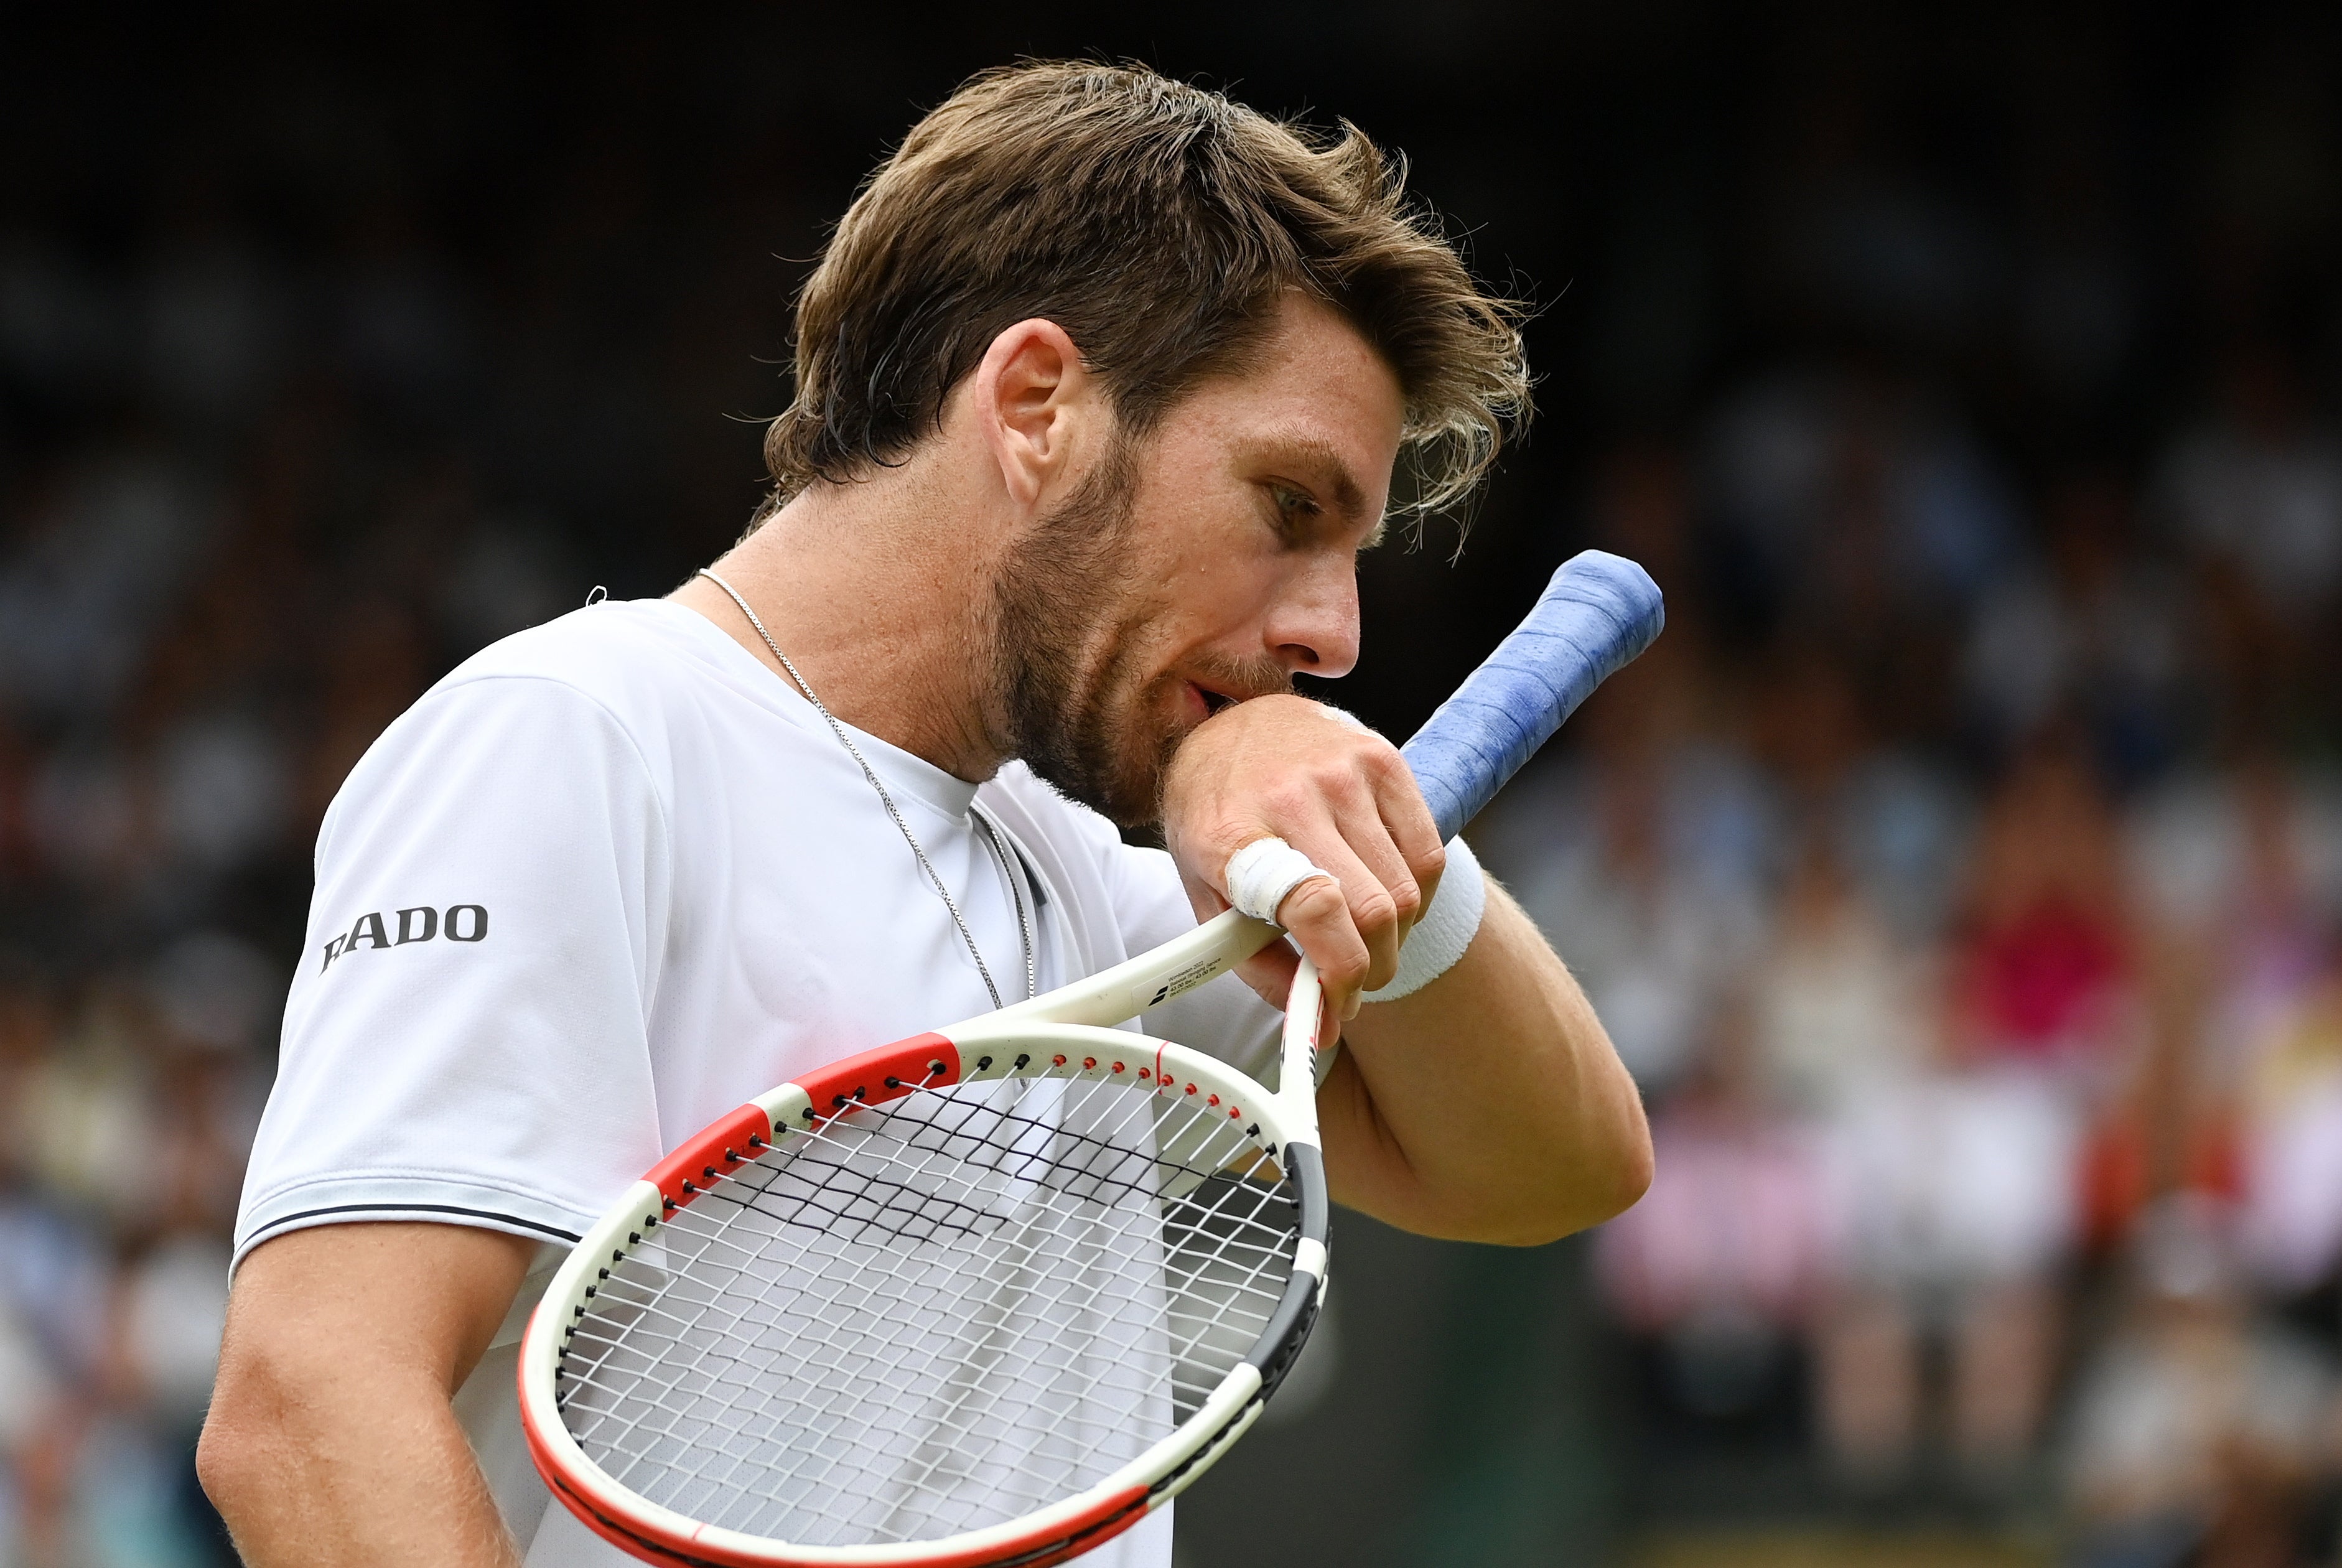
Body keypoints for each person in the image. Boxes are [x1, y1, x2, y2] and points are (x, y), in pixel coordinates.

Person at [194, 63, 1651, 1568]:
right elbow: (312, 1409)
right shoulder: (584, 737)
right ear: (1036, 406)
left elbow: (1559, 1164)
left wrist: (1313, 789)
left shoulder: (1077, 871)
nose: (1334, 633)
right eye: (1289, 506)